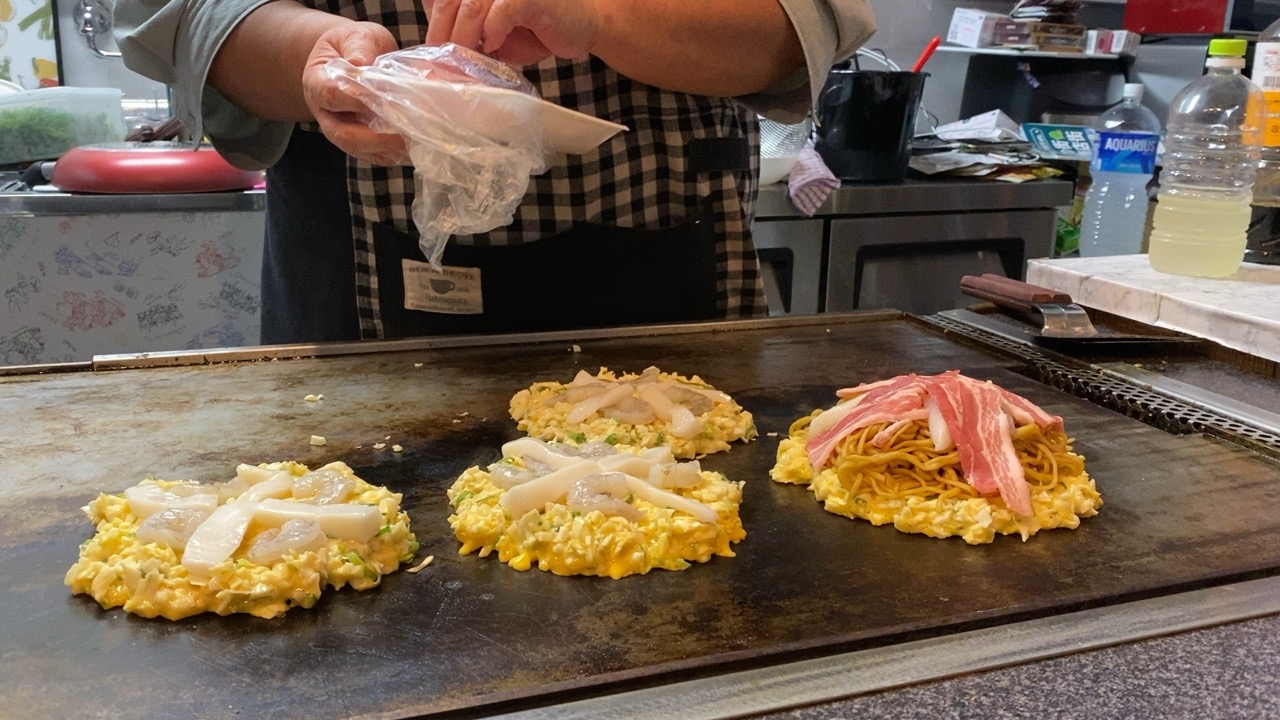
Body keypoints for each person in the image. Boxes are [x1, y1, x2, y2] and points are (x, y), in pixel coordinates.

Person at [113, 0, 876, 343]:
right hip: (353, 283)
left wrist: (603, 13)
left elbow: (798, 27)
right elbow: (184, 16)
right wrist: (327, 61)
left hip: (670, 272)